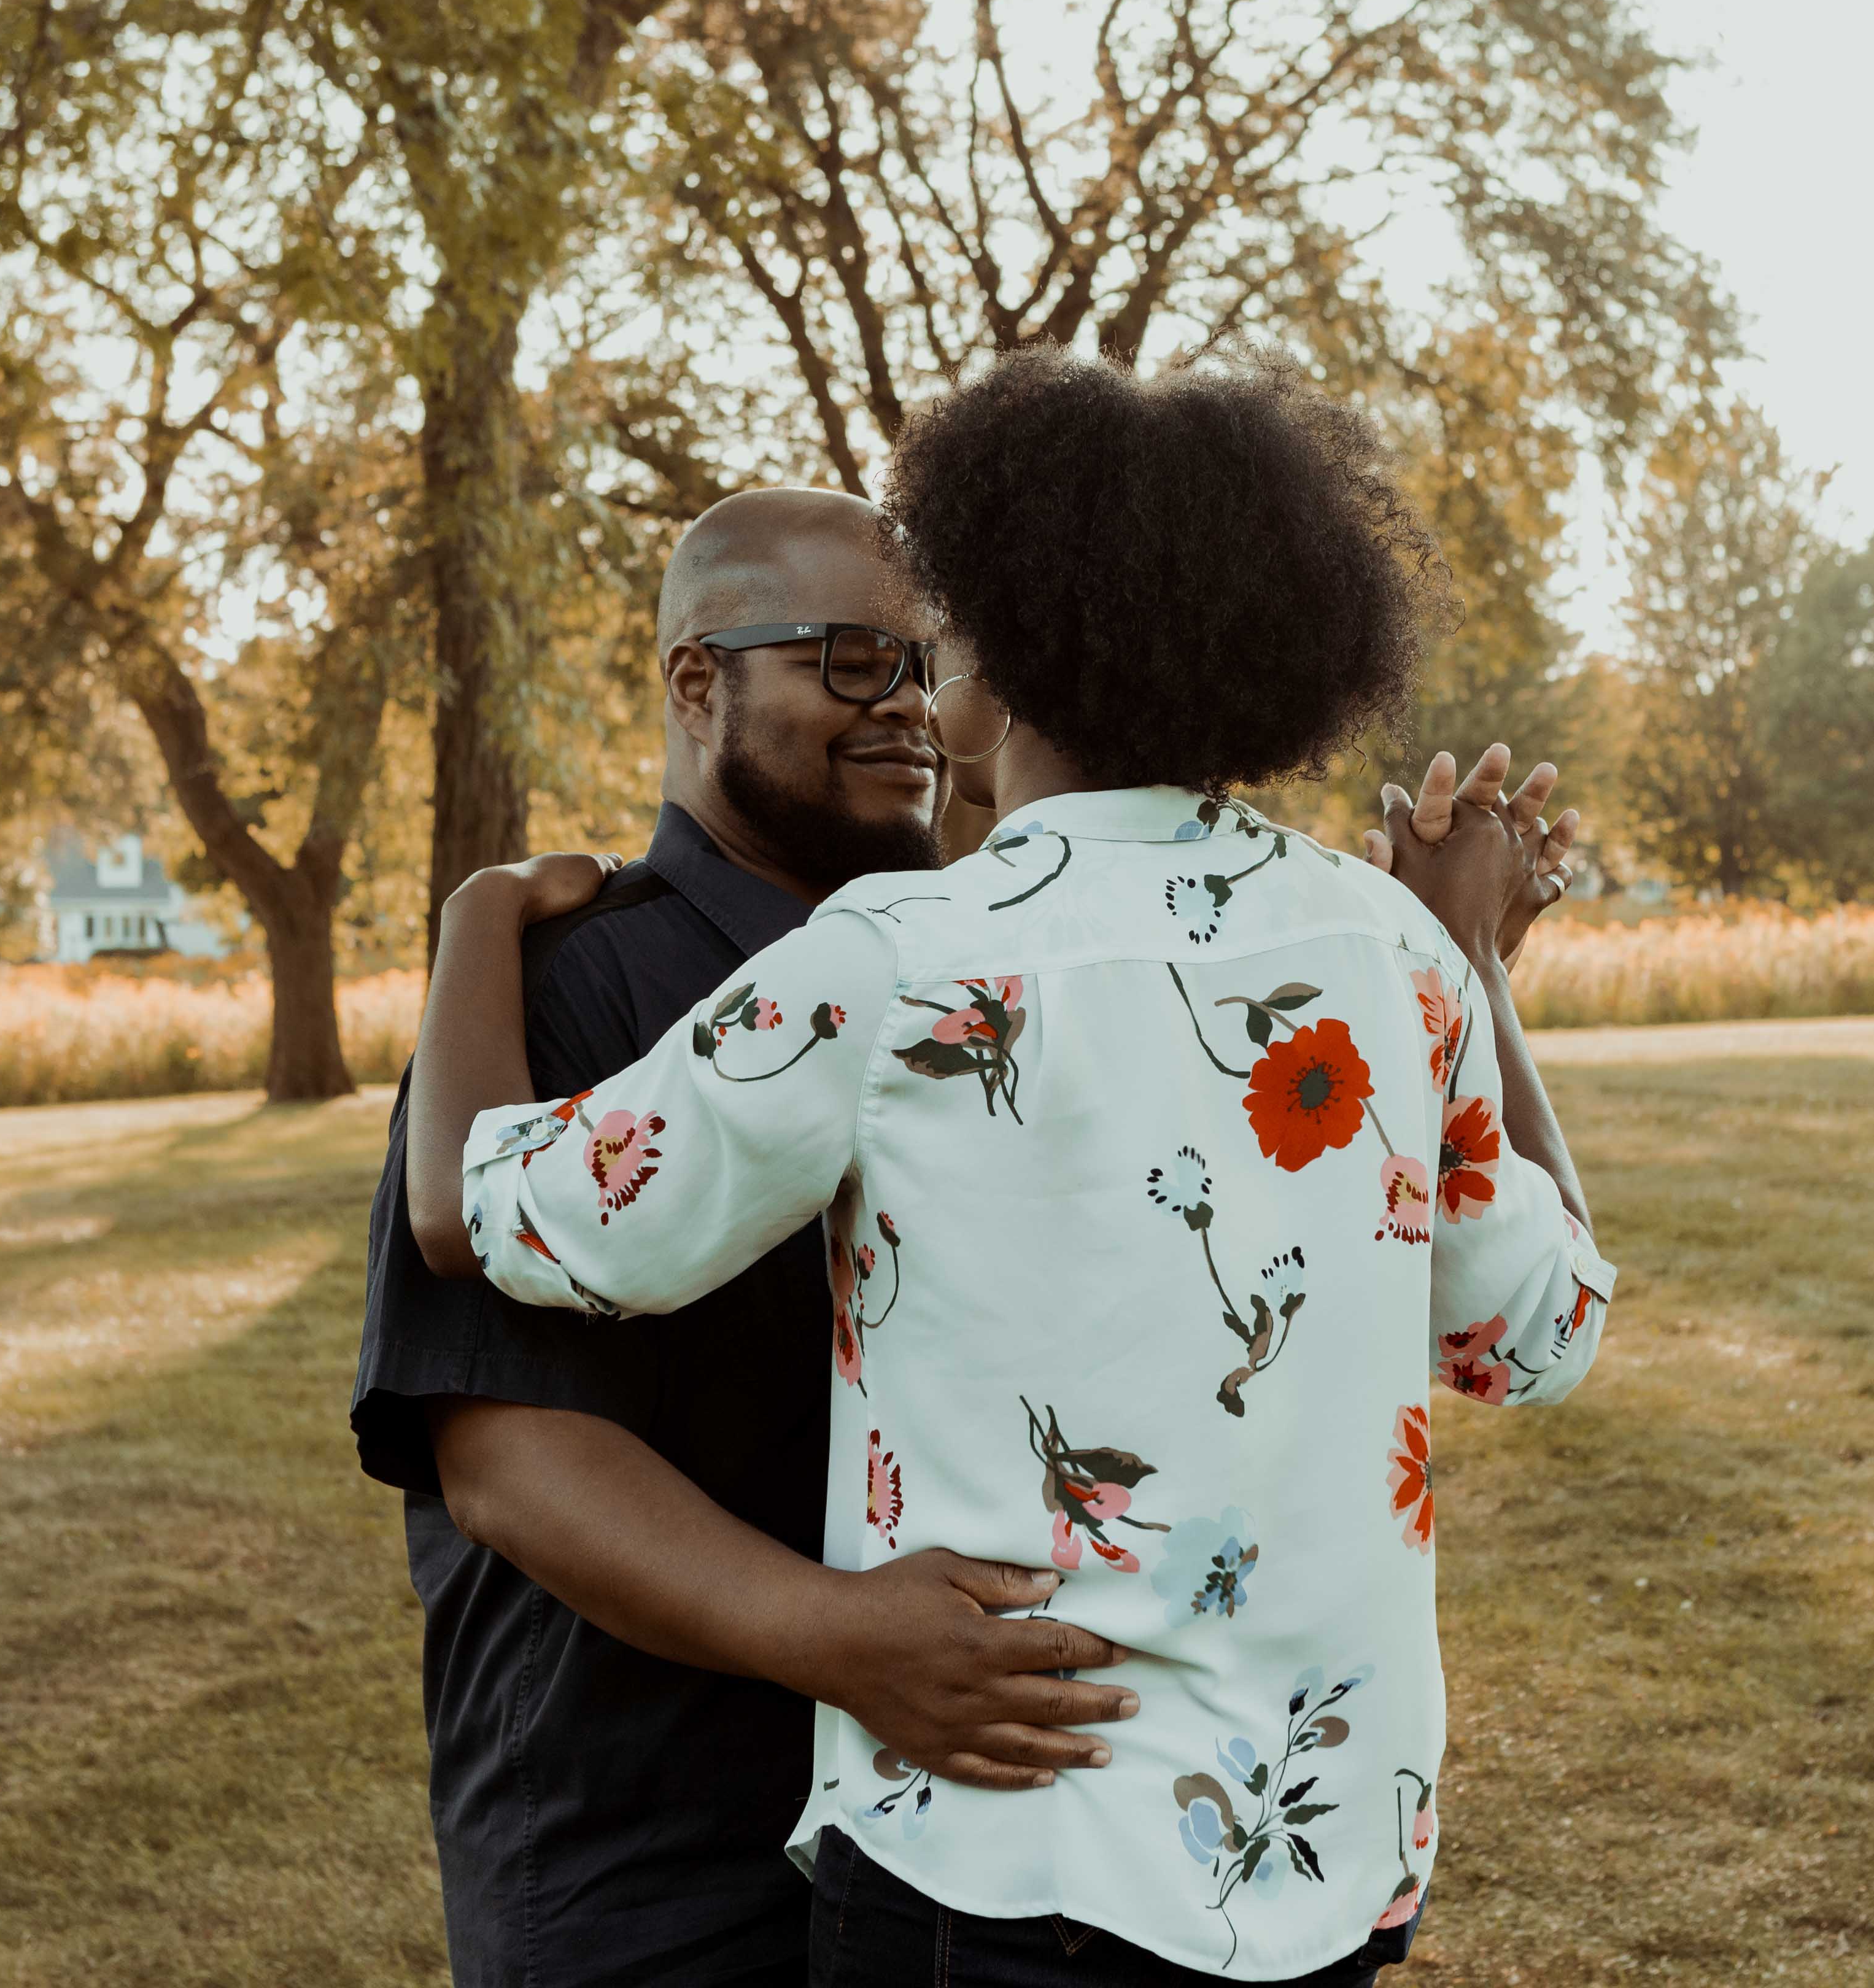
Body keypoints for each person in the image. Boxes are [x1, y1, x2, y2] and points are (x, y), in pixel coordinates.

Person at [413, 350, 1612, 1985]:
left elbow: (504, 1211)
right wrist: (1473, 961)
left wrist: (479, 918)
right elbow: (1534, 1336)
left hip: (1017, 1866)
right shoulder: (1386, 945)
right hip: (1329, 1859)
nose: (920, 684)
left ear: (1007, 660)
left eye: (938, 638)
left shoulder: (904, 953)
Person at [353, 486, 1144, 1988]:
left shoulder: (972, 978)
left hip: (953, 1841)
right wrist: (841, 1637)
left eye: (924, 665)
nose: (905, 706)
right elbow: (508, 1461)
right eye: (848, 659)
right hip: (652, 1848)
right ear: (696, 679)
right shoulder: (565, 989)